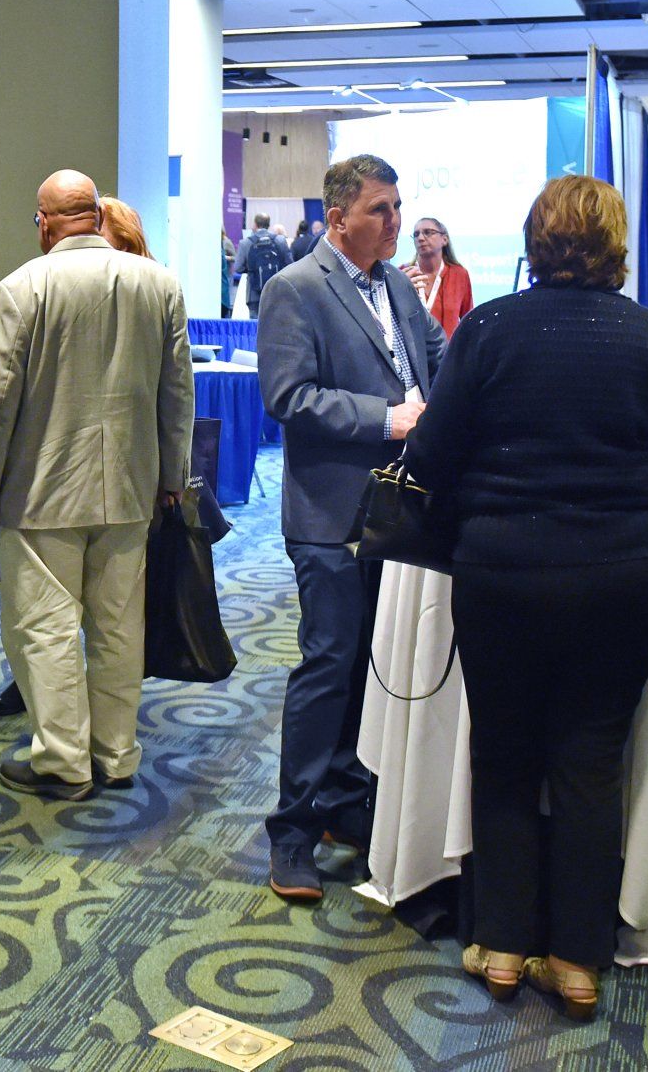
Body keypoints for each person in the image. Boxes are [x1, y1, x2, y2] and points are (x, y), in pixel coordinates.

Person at [405, 174, 648, 1019]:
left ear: (535, 239)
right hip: (620, 576)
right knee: (592, 764)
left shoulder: (489, 328)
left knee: (504, 756)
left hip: (502, 569)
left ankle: (504, 944)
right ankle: (579, 958)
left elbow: (430, 458)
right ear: (616, 243)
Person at [0, 169, 193, 801]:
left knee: (46, 627)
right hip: (130, 489)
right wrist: (172, 476)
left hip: (41, 494)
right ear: (95, 215)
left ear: (44, 221)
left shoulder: (21, 287)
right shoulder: (159, 284)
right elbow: (178, 393)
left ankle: (63, 761)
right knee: (120, 628)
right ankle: (116, 755)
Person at [257, 154, 445, 902]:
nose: (396, 222)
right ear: (338, 219)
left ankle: (344, 805)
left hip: (398, 509)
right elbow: (288, 397)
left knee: (374, 664)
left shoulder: (396, 283)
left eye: (399, 207)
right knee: (328, 666)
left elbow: (437, 358)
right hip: (330, 516)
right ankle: (292, 833)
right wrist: (387, 416)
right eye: (380, 210)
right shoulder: (294, 288)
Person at [401, 215, 474, 338]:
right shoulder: (403, 274)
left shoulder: (459, 274)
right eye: (416, 234)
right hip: (412, 353)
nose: (420, 238)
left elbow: (469, 320)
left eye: (428, 232)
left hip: (448, 354)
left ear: (444, 239)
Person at [231, 212, 291, 318]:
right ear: (268, 224)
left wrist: (252, 268)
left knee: (256, 328)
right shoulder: (280, 241)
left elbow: (238, 268)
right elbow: (290, 264)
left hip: (254, 294)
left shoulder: (245, 243)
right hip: (276, 292)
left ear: (255, 224)